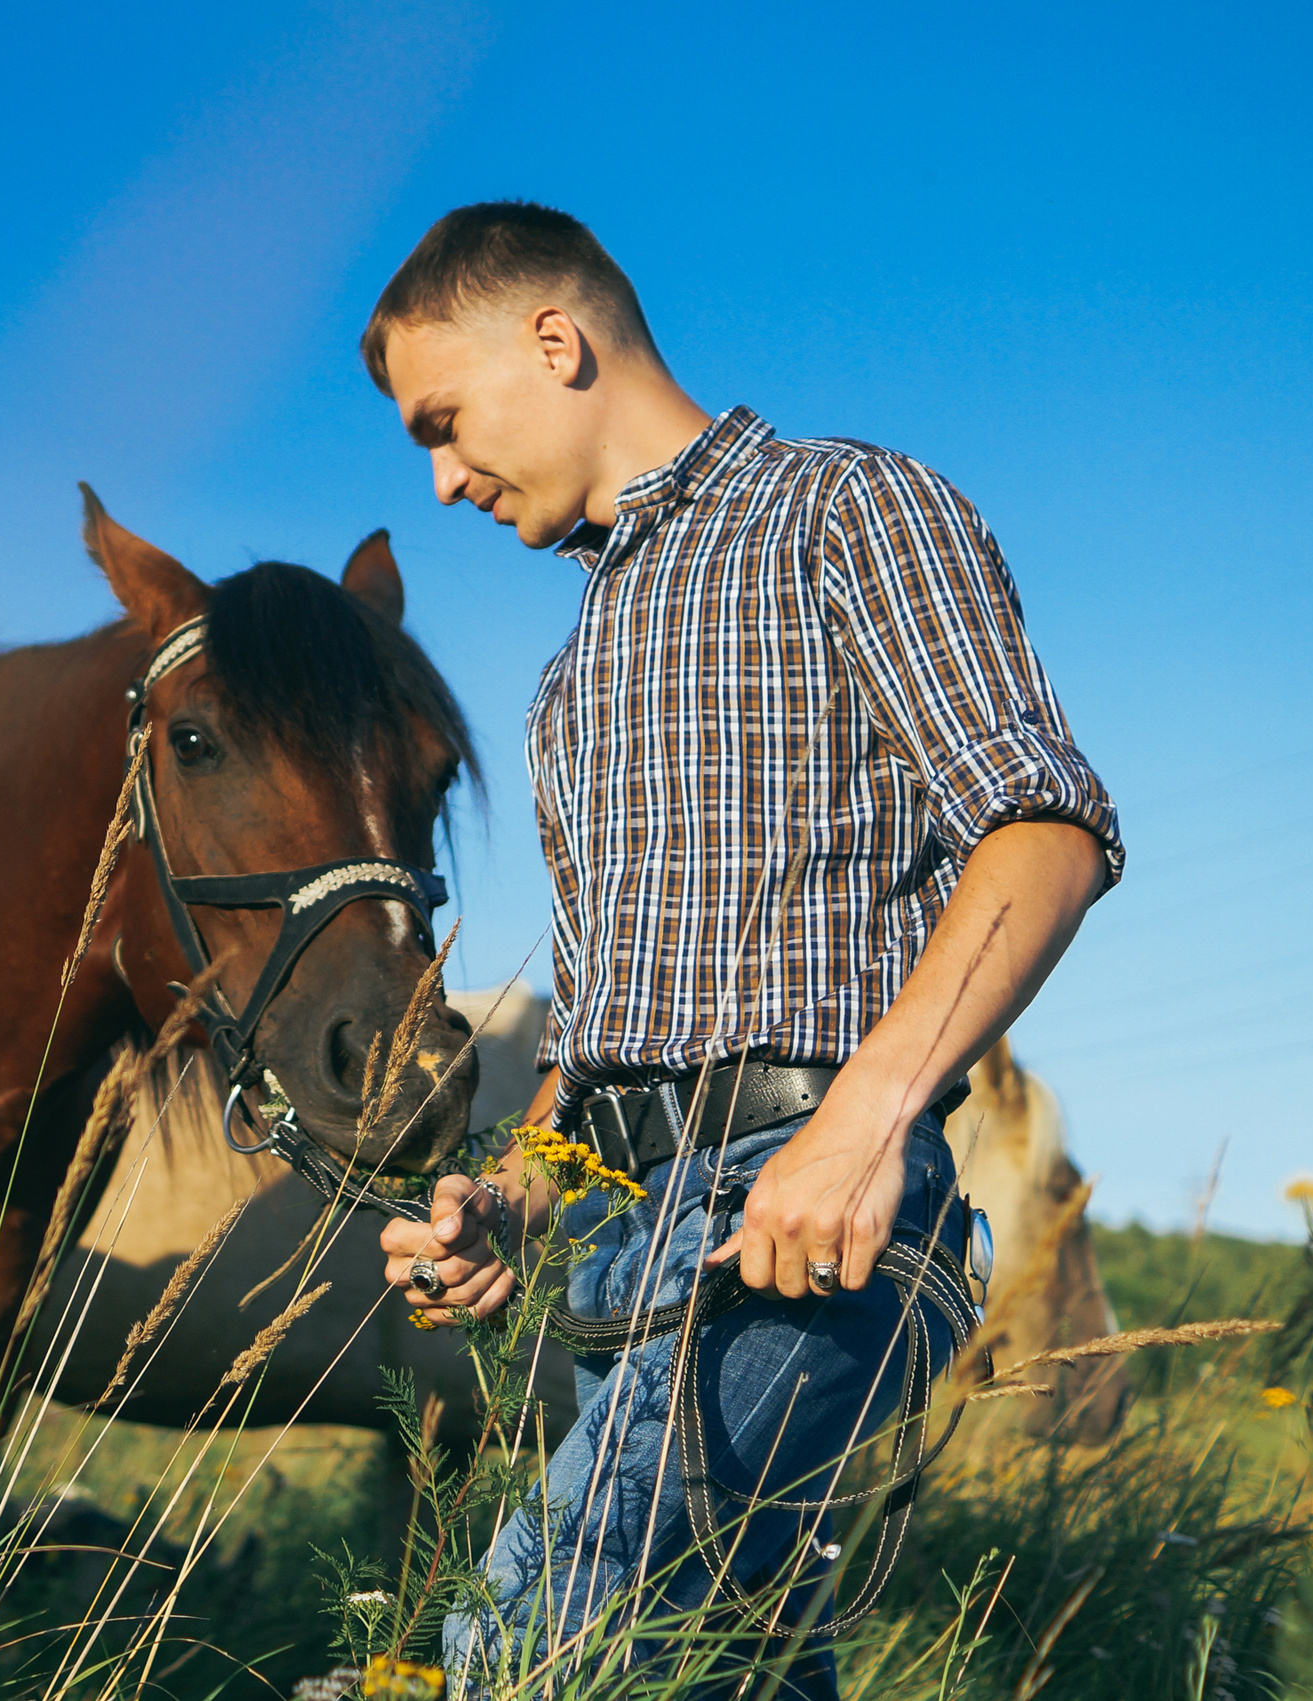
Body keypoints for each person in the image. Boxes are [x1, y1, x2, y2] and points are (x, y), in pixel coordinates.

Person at [364, 204, 1120, 1693]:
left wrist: (862, 1119)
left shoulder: (850, 508)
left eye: (441, 424)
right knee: (726, 1668)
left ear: (556, 341)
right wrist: (514, 1197)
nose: (442, 480)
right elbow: (599, 1035)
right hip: (628, 1227)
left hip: (808, 1201)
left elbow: (1046, 828)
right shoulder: (572, 672)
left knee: (534, 1652)